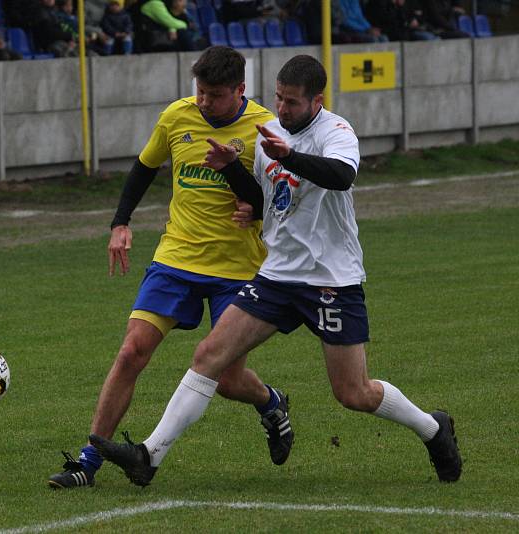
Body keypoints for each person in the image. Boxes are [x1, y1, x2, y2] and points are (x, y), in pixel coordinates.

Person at [90, 54, 462, 486]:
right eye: (279, 99)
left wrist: (289, 156)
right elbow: (268, 202)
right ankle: (148, 457)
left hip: (330, 279)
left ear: (316, 101)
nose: (282, 110)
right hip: (277, 274)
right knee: (209, 356)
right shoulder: (269, 135)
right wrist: (231, 170)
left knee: (353, 393)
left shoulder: (335, 131)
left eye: (292, 102)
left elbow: (341, 176)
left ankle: (433, 429)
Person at [48, 46, 293, 489]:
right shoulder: (177, 117)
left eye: (214, 95)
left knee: (227, 380)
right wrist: (120, 223)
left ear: (239, 90)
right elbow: (143, 169)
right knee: (130, 353)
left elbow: (276, 199)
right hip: (176, 257)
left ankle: (271, 402)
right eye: (199, 92)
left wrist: (252, 208)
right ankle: (88, 461)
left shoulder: (264, 131)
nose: (203, 102)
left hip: (236, 269)